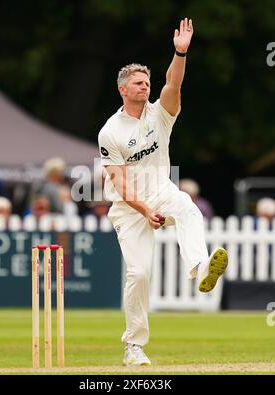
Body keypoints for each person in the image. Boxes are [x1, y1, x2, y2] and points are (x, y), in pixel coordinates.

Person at [98, 18, 228, 367]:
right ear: (123, 89)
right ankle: (133, 347)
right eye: (138, 84)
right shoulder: (110, 132)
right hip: (128, 208)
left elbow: (173, 82)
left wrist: (180, 51)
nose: (145, 87)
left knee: (187, 207)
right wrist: (143, 211)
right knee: (139, 274)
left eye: (147, 82)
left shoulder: (160, 114)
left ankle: (200, 268)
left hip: (161, 189)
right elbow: (121, 185)